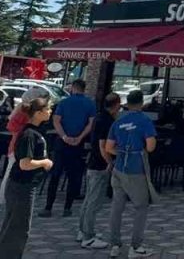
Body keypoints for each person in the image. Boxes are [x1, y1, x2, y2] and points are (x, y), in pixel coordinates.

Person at [0, 98, 54, 259]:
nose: (50, 112)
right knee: (17, 228)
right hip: (21, 186)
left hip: (25, 186)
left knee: (17, 226)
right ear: (38, 113)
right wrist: (45, 162)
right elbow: (25, 164)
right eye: (47, 109)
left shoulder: (37, 131)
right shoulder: (29, 134)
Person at [104, 90, 158, 258]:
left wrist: (121, 152)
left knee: (117, 207)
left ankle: (114, 244)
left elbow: (108, 147)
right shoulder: (144, 121)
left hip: (119, 167)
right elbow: (151, 147)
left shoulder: (118, 121)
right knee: (141, 207)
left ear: (127, 103)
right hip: (135, 169)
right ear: (141, 103)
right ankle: (136, 246)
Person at [40, 79, 96, 217]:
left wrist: (64, 136)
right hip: (78, 144)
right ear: (84, 89)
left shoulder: (64, 102)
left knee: (55, 175)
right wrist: (80, 137)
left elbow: (56, 120)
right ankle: (67, 208)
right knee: (73, 176)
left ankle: (48, 207)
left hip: (62, 143)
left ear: (73, 88)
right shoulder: (90, 104)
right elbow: (91, 124)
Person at [78, 92, 122, 249]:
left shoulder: (98, 117)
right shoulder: (107, 121)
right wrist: (109, 162)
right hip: (99, 165)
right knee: (94, 201)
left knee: (88, 199)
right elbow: (103, 146)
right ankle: (88, 236)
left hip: (92, 162)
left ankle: (83, 230)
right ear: (116, 105)